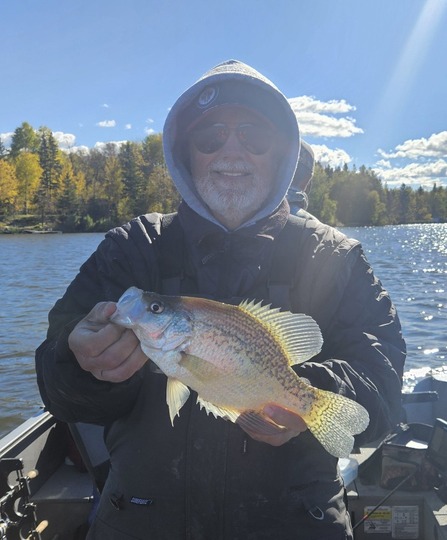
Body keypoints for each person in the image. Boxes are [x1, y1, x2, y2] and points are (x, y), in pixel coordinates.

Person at [36, 59, 406, 539]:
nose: (232, 151)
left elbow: (382, 390)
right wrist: (82, 362)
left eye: (254, 136)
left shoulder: (334, 256)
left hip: (296, 524)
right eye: (210, 138)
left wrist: (304, 394)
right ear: (185, 155)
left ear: (283, 156)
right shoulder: (131, 248)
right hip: (141, 520)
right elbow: (56, 386)